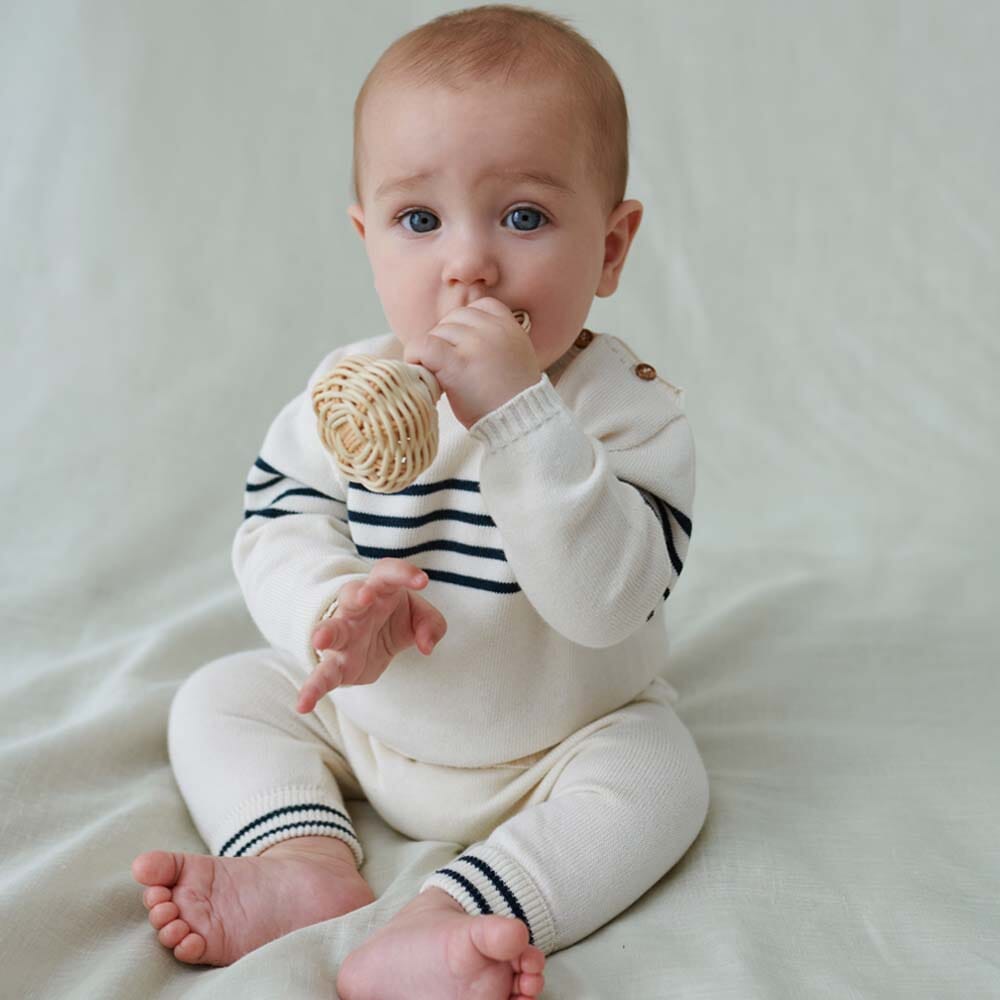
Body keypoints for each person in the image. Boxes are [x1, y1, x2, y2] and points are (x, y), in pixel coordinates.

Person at [131, 5, 709, 997]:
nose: (468, 261)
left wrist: (522, 418)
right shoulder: (346, 393)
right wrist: (330, 612)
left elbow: (604, 603)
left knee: (662, 780)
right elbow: (276, 519)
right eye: (418, 220)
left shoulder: (629, 415)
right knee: (218, 696)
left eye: (523, 216)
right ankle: (305, 865)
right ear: (368, 240)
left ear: (610, 249)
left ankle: (453, 913)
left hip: (558, 742)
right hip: (364, 719)